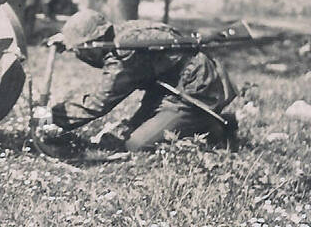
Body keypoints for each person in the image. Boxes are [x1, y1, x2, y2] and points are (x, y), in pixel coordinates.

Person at [34, 9, 238, 153]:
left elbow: (99, 102)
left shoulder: (126, 55)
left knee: (137, 145)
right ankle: (196, 122)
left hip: (195, 91)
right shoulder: (120, 33)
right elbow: (98, 52)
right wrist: (70, 39)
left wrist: (52, 117)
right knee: (126, 133)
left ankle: (214, 127)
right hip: (168, 87)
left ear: (93, 41)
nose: (77, 53)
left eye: (80, 49)